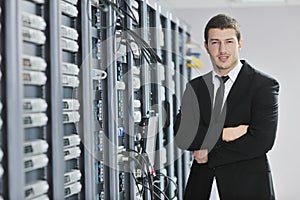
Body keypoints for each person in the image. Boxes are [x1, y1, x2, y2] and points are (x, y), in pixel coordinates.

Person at [174, 14, 279, 200]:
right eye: (215, 42)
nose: (222, 50)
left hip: (248, 189)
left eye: (229, 42)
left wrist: (209, 155)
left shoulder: (263, 85)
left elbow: (261, 140)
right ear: (206, 46)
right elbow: (182, 134)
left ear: (239, 43)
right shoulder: (196, 87)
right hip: (201, 188)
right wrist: (224, 133)